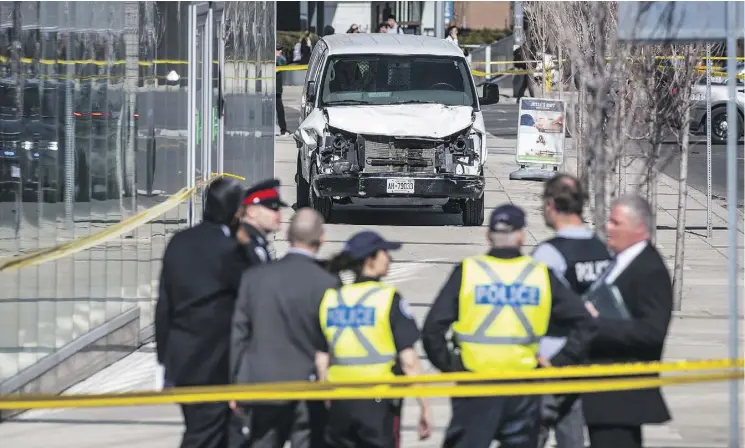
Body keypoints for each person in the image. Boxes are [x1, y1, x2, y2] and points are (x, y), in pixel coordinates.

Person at [422, 204, 596, 448]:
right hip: (522, 389)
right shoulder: (540, 275)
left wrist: (451, 365)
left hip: (475, 386)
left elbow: (432, 329)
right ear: (522, 236)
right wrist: (559, 361)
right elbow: (585, 322)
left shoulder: (468, 272)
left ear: (488, 235)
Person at [229, 208, 339, 448]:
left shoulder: (255, 277)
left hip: (262, 384)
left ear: (288, 235)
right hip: (307, 388)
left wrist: (236, 383)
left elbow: (239, 335)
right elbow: (334, 340)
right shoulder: (328, 284)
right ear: (322, 238)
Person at [315, 231, 432, 448]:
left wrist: (327, 398)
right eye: (384, 252)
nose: (389, 258)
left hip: (340, 402)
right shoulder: (387, 299)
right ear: (370, 260)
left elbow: (322, 360)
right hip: (377, 404)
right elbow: (409, 361)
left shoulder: (332, 299)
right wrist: (424, 405)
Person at [155, 176, 248, 448]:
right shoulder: (230, 249)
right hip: (214, 363)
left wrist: (165, 358)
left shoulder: (179, 242)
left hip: (182, 360)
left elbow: (164, 306)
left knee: (216, 431)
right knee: (204, 434)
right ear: (234, 213)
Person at [582, 194, 673, 448]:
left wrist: (596, 324)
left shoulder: (649, 269)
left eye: (616, 222)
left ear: (639, 227)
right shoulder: (619, 261)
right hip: (602, 392)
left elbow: (652, 331)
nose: (607, 227)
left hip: (621, 395)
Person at [532, 174, 613, 448]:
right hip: (586, 359)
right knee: (572, 438)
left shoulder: (548, 255)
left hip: (550, 360)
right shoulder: (602, 251)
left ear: (551, 205)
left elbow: (532, 309)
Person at [234, 178, 286, 265]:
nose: (278, 213)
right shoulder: (243, 247)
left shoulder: (256, 241)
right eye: (273, 207)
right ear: (251, 211)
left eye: (278, 208)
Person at [275, 44, 289, 137]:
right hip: (271, 91)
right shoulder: (270, 61)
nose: (280, 51)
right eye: (278, 49)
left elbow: (285, 61)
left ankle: (283, 129)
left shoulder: (279, 61)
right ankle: (282, 129)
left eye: (280, 49)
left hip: (277, 91)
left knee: (280, 110)